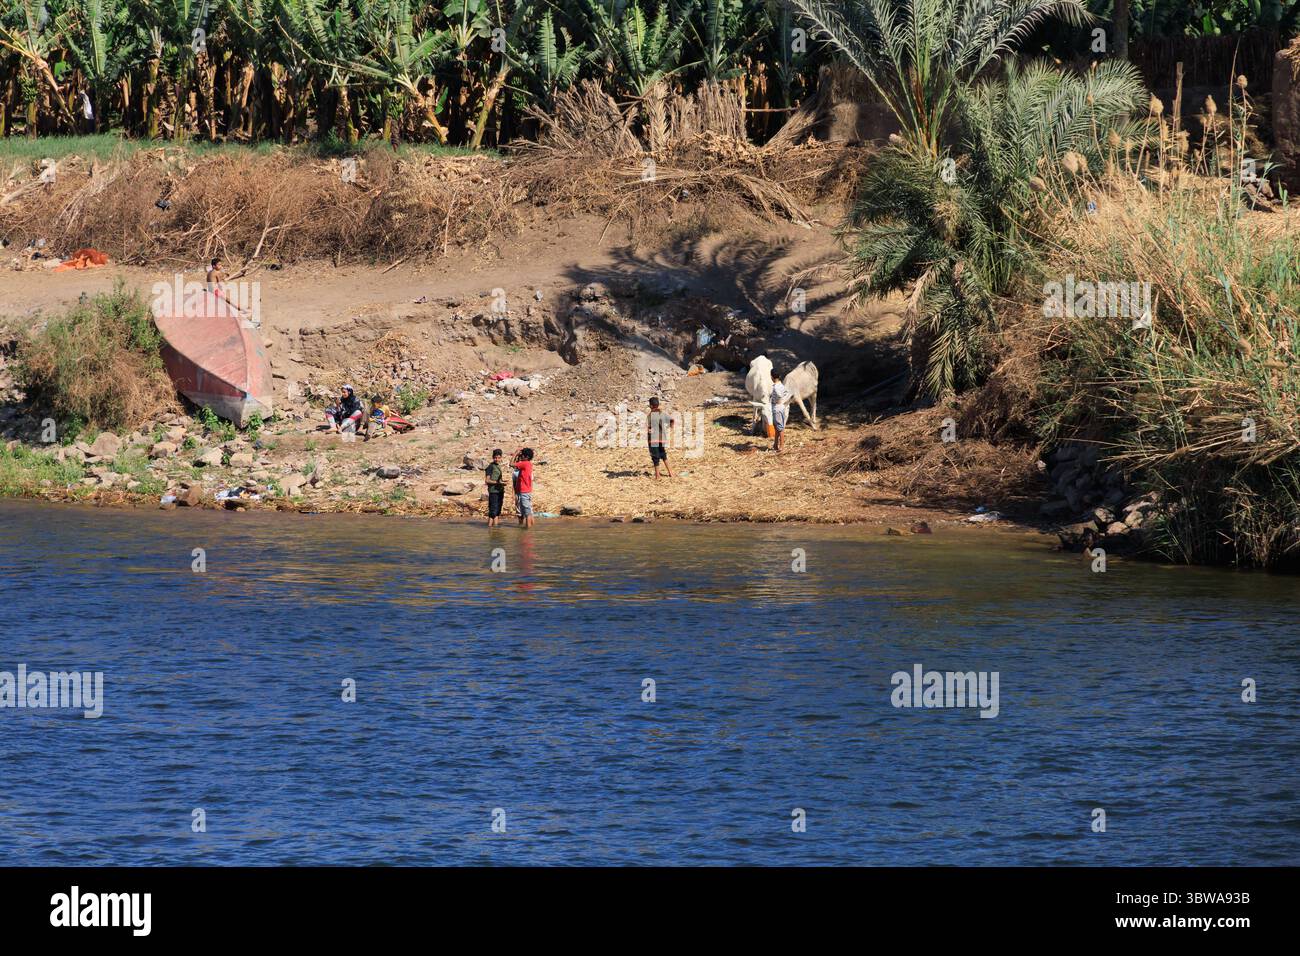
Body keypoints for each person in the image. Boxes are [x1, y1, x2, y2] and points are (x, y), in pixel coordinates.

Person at [647, 396, 673, 478]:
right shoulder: (663, 414)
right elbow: (672, 421)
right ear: (658, 405)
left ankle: (658, 475)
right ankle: (670, 472)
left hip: (653, 440)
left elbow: (648, 428)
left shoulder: (650, 416)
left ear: (651, 406)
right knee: (663, 454)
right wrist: (669, 427)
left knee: (655, 457)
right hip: (662, 439)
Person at [512, 447, 535, 528]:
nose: (521, 457)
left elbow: (511, 464)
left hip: (524, 492)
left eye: (522, 455)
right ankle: (530, 527)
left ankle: (527, 530)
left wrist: (515, 454)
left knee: (527, 513)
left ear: (527, 457)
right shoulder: (528, 464)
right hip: (526, 491)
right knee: (529, 511)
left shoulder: (525, 463)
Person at [770, 371, 791, 453]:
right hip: (781, 407)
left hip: (777, 407)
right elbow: (787, 392)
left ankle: (781, 446)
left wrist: (778, 399)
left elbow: (779, 394)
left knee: (780, 428)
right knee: (777, 427)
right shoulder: (781, 385)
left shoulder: (775, 387)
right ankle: (775, 444)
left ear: (772, 377)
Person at [484, 449, 506, 528]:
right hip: (493, 491)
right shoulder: (490, 467)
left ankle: (496, 529)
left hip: (500, 491)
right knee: (493, 512)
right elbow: (487, 480)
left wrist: (502, 482)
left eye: (498, 457)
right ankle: (490, 528)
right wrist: (498, 483)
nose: (497, 459)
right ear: (493, 457)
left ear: (501, 458)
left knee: (497, 511)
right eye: (495, 457)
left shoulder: (498, 466)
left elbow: (497, 479)